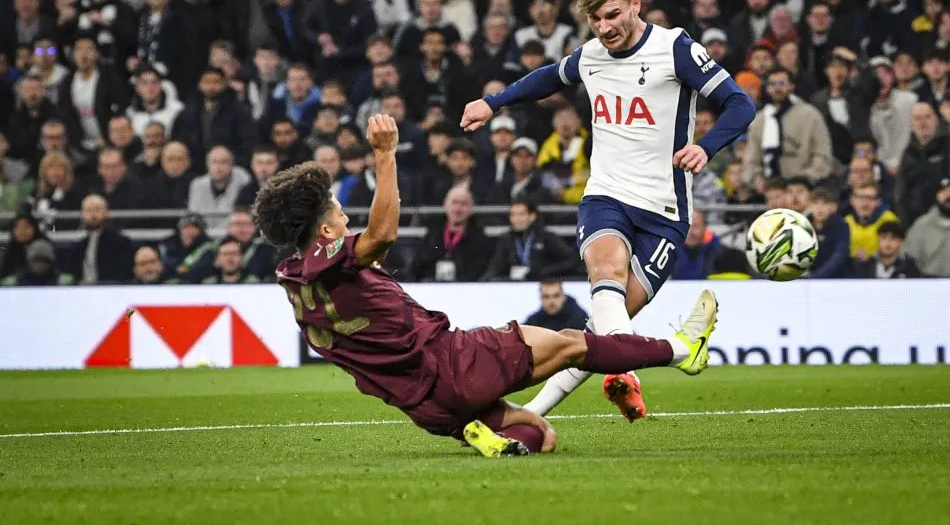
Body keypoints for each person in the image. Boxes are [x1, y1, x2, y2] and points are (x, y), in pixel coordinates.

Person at [254, 114, 719, 458]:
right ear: (326, 234)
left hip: (426, 408)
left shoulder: (293, 281)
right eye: (337, 212)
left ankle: (485, 437)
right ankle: (681, 349)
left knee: (541, 436)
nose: (345, 215)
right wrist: (384, 154)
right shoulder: (330, 260)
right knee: (575, 343)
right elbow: (381, 235)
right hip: (452, 362)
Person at [461, 0, 754, 421]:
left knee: (600, 331)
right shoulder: (592, 55)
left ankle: (537, 410)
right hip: (606, 196)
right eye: (595, 20)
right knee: (605, 269)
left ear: (636, 4)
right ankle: (626, 380)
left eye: (612, 15)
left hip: (663, 210)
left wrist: (706, 147)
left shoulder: (674, 48)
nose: (604, 28)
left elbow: (740, 102)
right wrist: (492, 102)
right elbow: (547, 78)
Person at [484, 198, 581, 281]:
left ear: (532, 216)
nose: (516, 219)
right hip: (513, 286)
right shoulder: (506, 239)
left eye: (521, 214)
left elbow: (570, 261)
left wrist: (543, 272)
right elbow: (495, 267)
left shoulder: (546, 237)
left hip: (543, 285)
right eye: (513, 214)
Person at [850, 221, 922, 278]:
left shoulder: (909, 268)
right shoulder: (866, 267)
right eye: (883, 238)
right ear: (878, 240)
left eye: (893, 238)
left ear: (901, 242)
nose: (887, 243)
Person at [523, 279, 589, 332]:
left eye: (556, 296)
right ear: (540, 298)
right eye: (546, 296)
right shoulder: (533, 322)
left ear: (563, 296)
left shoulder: (580, 319)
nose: (551, 301)